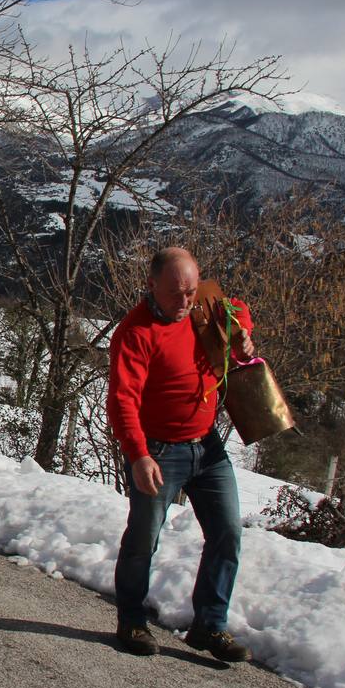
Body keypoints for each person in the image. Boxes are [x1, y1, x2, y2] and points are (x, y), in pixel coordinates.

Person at [107, 246, 255, 662]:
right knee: (143, 538)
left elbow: (237, 309)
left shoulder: (203, 305)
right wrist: (137, 455)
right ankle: (131, 620)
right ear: (151, 285)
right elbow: (122, 400)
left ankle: (210, 625)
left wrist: (243, 331)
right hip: (157, 450)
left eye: (190, 291)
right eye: (175, 293)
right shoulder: (135, 333)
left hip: (207, 445)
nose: (185, 302)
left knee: (228, 532)